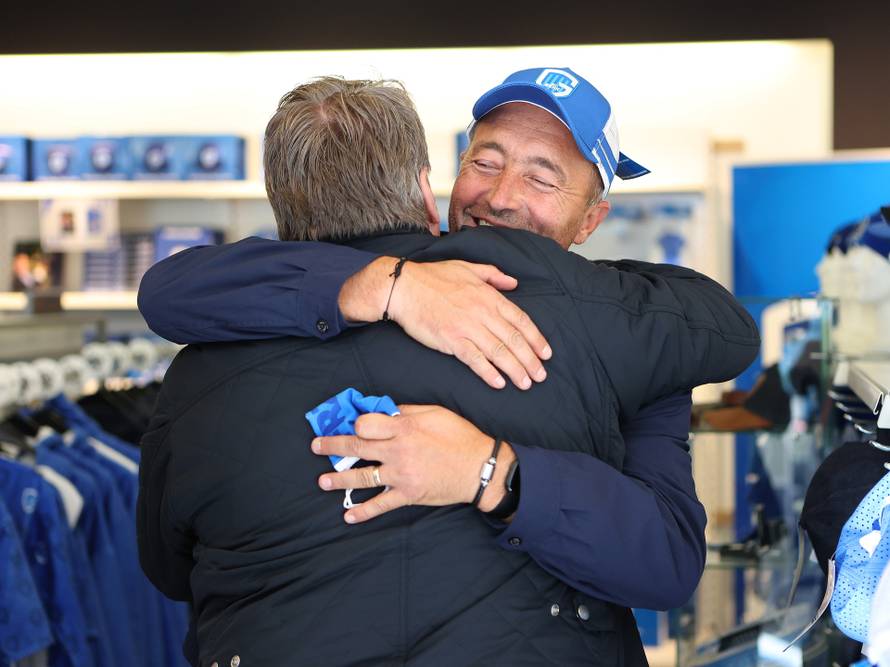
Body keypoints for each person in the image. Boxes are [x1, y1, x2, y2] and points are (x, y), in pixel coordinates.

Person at [137, 71, 759, 664]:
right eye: (485, 162)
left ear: (592, 219)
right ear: (430, 182)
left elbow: (168, 568)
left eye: (543, 179)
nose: (501, 196)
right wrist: (391, 285)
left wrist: (493, 472)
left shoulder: (625, 328)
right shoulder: (601, 322)